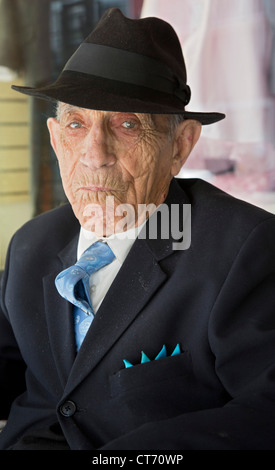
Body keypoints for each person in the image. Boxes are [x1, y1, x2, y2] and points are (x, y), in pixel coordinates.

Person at [0, 7, 275, 451]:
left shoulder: (244, 247)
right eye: (76, 124)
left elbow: (266, 410)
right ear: (54, 138)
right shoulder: (34, 242)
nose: (94, 153)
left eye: (127, 125)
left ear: (180, 146)